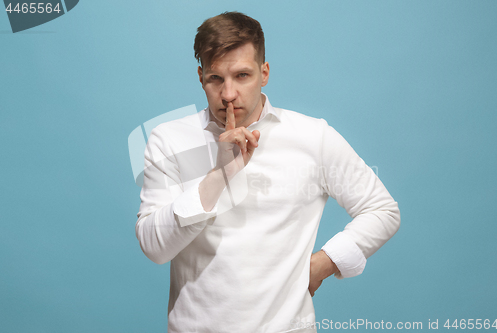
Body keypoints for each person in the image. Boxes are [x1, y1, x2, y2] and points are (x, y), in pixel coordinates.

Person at [136, 11, 400, 333]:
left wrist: (324, 263)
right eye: (215, 78)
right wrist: (219, 175)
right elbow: (154, 247)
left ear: (265, 73)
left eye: (242, 76)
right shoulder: (168, 139)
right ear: (200, 76)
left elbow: (382, 210)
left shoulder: (312, 137)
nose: (228, 94)